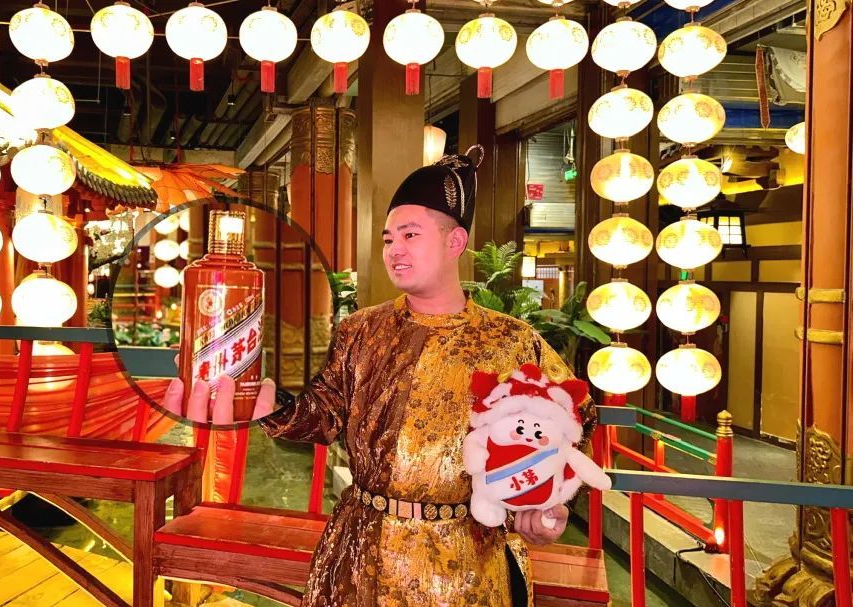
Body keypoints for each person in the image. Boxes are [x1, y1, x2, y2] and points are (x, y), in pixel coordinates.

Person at [163, 145, 594, 606]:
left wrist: (547, 498)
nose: (395, 250)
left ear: (455, 242)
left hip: (466, 559)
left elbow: (576, 418)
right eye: (389, 239)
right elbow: (324, 413)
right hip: (360, 548)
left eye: (410, 235)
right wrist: (269, 402)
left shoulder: (511, 341)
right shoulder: (360, 329)